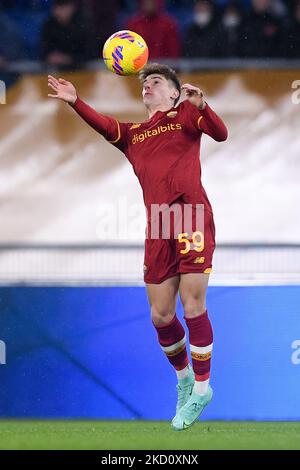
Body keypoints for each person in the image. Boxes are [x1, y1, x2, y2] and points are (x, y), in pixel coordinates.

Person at [47, 63, 228, 431]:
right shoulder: (133, 135)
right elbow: (103, 125)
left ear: (174, 92)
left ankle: (204, 388)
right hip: (158, 222)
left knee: (193, 304)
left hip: (189, 212)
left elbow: (221, 135)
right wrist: (75, 101)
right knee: (160, 316)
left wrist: (203, 105)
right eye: (144, 82)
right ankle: (184, 381)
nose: (147, 85)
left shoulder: (186, 115)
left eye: (156, 81)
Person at [41, 0, 94, 70]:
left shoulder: (83, 24)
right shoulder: (49, 25)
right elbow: (43, 51)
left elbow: (90, 52)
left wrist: (69, 59)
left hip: (82, 71)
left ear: (71, 8)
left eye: (63, 8)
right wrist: (50, 57)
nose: (60, 11)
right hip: (55, 71)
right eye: (58, 8)